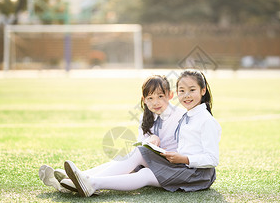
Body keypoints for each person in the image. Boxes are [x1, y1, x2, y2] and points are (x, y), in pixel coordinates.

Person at [64, 70, 221, 197]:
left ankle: (91, 182)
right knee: (139, 157)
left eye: (192, 90)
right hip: (181, 165)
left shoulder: (202, 120)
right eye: (182, 91)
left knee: (144, 169)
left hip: (197, 174)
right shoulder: (189, 115)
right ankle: (79, 179)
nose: (186, 95)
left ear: (203, 90)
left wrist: (183, 158)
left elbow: (212, 159)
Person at [38, 75, 186, 193]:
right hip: (153, 163)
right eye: (150, 98)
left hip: (171, 165)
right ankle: (74, 180)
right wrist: (151, 139)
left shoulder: (180, 115)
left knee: (135, 155)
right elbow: (143, 145)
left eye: (160, 96)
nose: (156, 102)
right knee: (125, 159)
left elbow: (186, 149)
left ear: (170, 95)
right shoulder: (146, 117)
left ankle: (83, 179)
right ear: (144, 100)